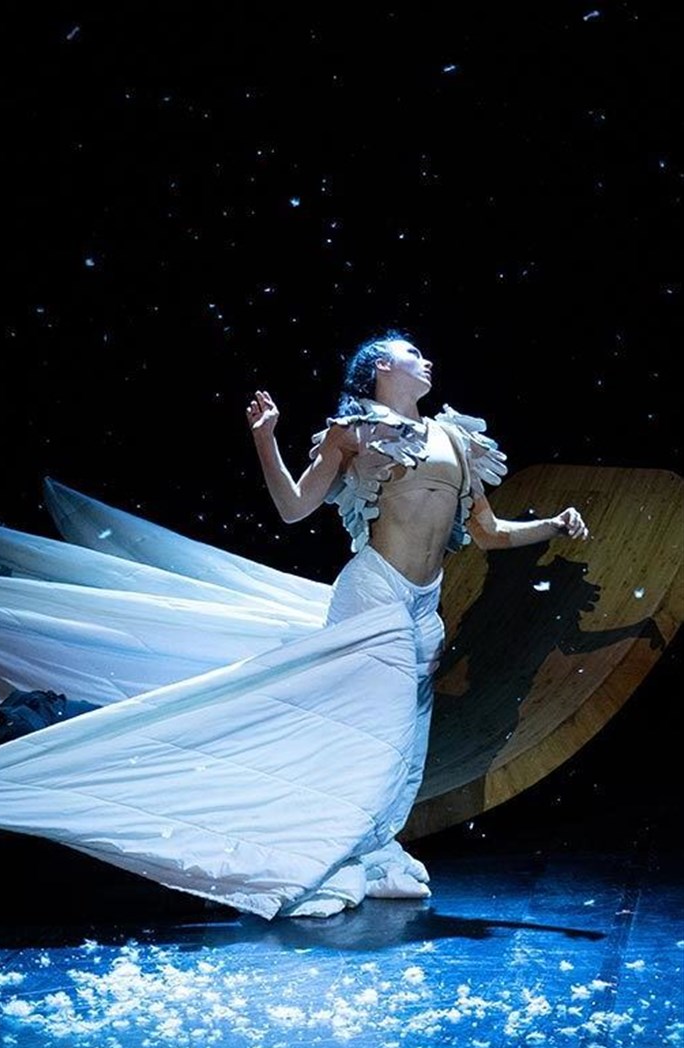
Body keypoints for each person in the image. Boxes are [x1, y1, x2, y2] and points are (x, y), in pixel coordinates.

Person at [247, 330, 588, 900]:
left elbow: (488, 532)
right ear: (382, 366)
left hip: (424, 604)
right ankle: (329, 849)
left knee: (407, 744)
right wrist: (265, 439)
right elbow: (292, 508)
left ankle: (377, 850)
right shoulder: (354, 432)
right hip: (374, 592)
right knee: (371, 733)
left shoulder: (455, 438)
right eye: (413, 354)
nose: (427, 360)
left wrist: (552, 524)